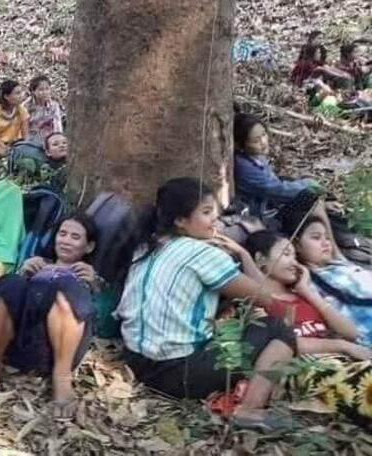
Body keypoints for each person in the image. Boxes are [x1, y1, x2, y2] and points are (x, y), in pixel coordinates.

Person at [117, 177, 297, 430]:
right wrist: (244, 254)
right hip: (176, 374)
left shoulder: (148, 245)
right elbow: (268, 299)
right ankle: (249, 410)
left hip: (134, 362)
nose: (216, 219)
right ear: (180, 221)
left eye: (215, 211)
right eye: (206, 212)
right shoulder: (204, 253)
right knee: (279, 328)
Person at [0, 214, 99, 421]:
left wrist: (95, 284)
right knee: (10, 283)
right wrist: (24, 272)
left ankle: (61, 379)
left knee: (66, 288)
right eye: (62, 234)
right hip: (18, 340)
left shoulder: (89, 274)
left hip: (58, 351)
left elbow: (104, 320)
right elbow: (9, 299)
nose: (66, 240)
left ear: (89, 247)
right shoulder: (38, 264)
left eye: (75, 237)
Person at [247, 230, 372, 423]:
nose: (295, 262)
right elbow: (281, 345)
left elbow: (351, 333)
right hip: (306, 369)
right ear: (261, 260)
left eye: (295, 256)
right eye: (286, 254)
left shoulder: (304, 296)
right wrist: (342, 345)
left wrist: (307, 292)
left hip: (346, 361)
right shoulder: (258, 303)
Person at [233, 112, 331, 235]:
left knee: (297, 184)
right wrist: (308, 185)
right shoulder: (244, 167)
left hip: (268, 206)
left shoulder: (253, 157)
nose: (263, 142)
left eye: (264, 135)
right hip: (264, 220)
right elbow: (279, 190)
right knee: (310, 198)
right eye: (256, 140)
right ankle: (333, 246)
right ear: (241, 145)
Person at [293, 217, 372, 347]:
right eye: (316, 237)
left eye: (327, 238)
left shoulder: (340, 263)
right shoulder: (307, 282)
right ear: (297, 245)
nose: (326, 243)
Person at [0, 80, 29, 158]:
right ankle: (9, 157)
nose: (21, 96)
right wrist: (6, 148)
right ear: (6, 97)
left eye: (20, 93)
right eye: (17, 93)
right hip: (1, 144)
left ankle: (14, 156)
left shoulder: (22, 110)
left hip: (17, 143)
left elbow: (25, 135)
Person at [25, 75, 63, 143]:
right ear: (33, 91)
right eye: (41, 90)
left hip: (50, 139)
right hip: (31, 139)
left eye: (47, 89)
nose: (45, 92)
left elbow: (57, 126)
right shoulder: (26, 106)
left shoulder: (54, 106)